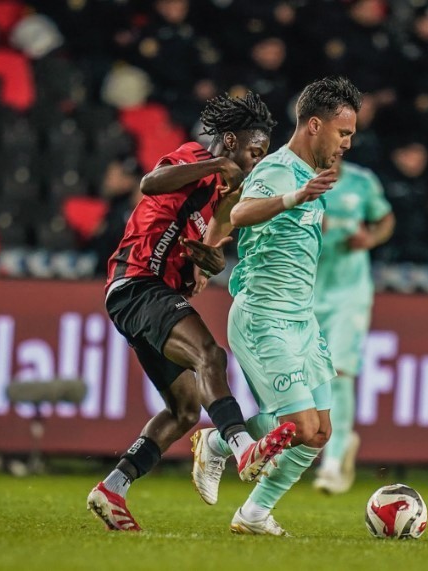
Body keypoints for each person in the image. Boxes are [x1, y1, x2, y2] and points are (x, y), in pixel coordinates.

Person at [86, 91, 296, 532]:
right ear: (231, 141)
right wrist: (216, 164)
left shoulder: (224, 194)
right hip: (136, 282)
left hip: (150, 294)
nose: (257, 162)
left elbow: (210, 250)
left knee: (183, 410)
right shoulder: (194, 157)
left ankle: (113, 487)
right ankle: (242, 447)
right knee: (210, 355)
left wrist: (209, 264)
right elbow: (150, 184)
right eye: (254, 152)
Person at [190, 76, 362, 535]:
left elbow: (230, 214)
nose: (347, 143)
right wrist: (294, 198)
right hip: (263, 317)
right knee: (300, 426)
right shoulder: (279, 170)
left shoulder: (308, 176)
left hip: (302, 320)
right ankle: (220, 444)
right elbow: (241, 212)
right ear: (313, 125)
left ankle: (254, 513)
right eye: (343, 133)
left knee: (320, 432)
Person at [311, 157, 395, 494]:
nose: (337, 147)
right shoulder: (295, 177)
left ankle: (332, 461)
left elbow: (385, 219)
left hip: (350, 292)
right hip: (306, 289)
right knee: (307, 377)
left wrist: (371, 238)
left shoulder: (362, 181)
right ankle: (335, 443)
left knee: (340, 373)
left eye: (344, 138)